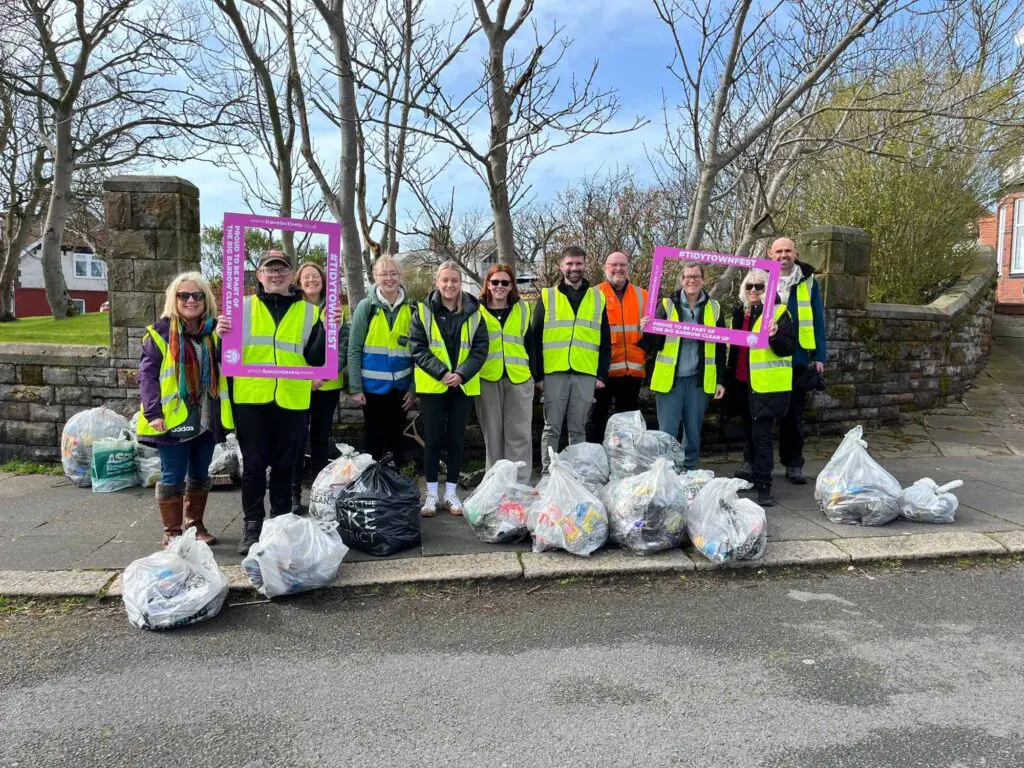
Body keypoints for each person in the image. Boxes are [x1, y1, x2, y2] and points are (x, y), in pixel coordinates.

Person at [231, 250, 336, 554]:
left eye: (282, 270)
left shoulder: (308, 312)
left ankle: (280, 521)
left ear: (292, 276)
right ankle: (252, 525)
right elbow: (228, 354)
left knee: (285, 464)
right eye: (270, 270)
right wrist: (221, 332)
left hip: (292, 398)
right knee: (253, 464)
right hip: (252, 397)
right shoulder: (242, 309)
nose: (276, 275)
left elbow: (316, 358)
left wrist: (328, 331)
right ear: (259, 275)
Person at [137, 272, 232, 547]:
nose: (191, 300)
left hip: (206, 416)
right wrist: (153, 413)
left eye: (197, 295)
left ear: (206, 299)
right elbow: (147, 376)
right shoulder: (159, 333)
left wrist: (225, 337)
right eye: (184, 295)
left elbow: (230, 365)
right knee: (172, 476)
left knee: (201, 475)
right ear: (174, 299)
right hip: (173, 417)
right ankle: (172, 531)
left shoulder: (214, 332)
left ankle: (195, 523)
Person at [409, 261, 488, 515]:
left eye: (454, 280)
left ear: (460, 282)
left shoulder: (475, 311)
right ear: (437, 282)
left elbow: (480, 349)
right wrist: (442, 372)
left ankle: (452, 494)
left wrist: (462, 374)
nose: (449, 285)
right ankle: (431, 495)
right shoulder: (422, 311)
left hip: (462, 386)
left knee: (456, 440)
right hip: (434, 385)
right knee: (432, 441)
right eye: (445, 280)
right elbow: (418, 347)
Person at [639, 261, 726, 469]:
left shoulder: (714, 308)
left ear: (703, 280)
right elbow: (654, 345)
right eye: (687, 276)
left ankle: (688, 470)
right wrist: (647, 329)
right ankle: (666, 471)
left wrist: (721, 381)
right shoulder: (667, 304)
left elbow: (722, 347)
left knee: (693, 431)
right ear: (681, 280)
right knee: (667, 431)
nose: (692, 280)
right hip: (670, 380)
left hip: (698, 379)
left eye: (696, 276)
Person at [533, 245, 611, 473]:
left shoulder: (598, 298)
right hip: (554, 373)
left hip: (585, 373)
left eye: (578, 263)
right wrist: (538, 375)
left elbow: (605, 339)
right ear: (561, 266)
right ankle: (550, 474)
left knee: (578, 429)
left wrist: (601, 374)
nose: (574, 268)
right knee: (552, 428)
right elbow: (535, 338)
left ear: (585, 265)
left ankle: (577, 474)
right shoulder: (547, 296)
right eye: (569, 264)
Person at [726, 268, 795, 507]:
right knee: (750, 434)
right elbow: (733, 350)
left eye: (759, 286)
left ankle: (765, 486)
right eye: (749, 286)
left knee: (762, 437)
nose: (753, 290)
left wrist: (776, 335)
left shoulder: (779, 312)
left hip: (766, 385)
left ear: (768, 288)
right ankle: (754, 476)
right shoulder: (739, 313)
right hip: (742, 382)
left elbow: (788, 348)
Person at [290, 262, 350, 512]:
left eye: (315, 276)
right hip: (297, 385)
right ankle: (293, 494)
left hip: (327, 385)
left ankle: (317, 491)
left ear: (323, 280)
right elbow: (291, 347)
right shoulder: (293, 308)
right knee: (295, 438)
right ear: (299, 281)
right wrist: (306, 377)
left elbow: (343, 345)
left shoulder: (337, 310)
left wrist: (325, 375)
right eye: (306, 277)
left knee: (320, 438)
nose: (311, 280)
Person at [767, 237, 827, 484]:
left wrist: (820, 356)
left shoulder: (809, 280)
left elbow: (818, 320)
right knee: (762, 415)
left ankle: (793, 464)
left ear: (796, 252)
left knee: (794, 416)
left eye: (788, 250)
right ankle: (756, 464)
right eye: (779, 251)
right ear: (770, 254)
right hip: (767, 356)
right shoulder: (759, 277)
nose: (784, 255)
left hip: (798, 357)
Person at [347, 255, 416, 463]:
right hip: (372, 389)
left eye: (393, 273)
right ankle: (372, 487)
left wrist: (413, 387)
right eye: (383, 274)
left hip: (401, 389)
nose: (389, 278)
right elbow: (354, 349)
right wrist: (356, 388)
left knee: (396, 442)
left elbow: (419, 353)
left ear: (400, 276)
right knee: (373, 442)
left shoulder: (412, 309)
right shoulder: (366, 307)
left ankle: (393, 488)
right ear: (375, 276)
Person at [476, 263, 537, 484]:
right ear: (488, 284)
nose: (500, 286)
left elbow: (530, 345)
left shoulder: (522, 308)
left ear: (512, 285)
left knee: (519, 435)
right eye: (495, 282)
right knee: (493, 436)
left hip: (519, 378)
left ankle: (519, 484)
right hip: (488, 379)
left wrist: (535, 376)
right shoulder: (476, 310)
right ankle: (495, 485)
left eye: (505, 282)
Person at [585, 251, 648, 443]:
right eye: (613, 265)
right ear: (605, 268)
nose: (618, 269)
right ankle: (595, 460)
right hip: (601, 372)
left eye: (623, 265)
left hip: (632, 373)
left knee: (628, 424)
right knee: (594, 420)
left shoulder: (643, 296)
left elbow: (653, 333)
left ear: (629, 269)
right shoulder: (592, 295)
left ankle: (626, 463)